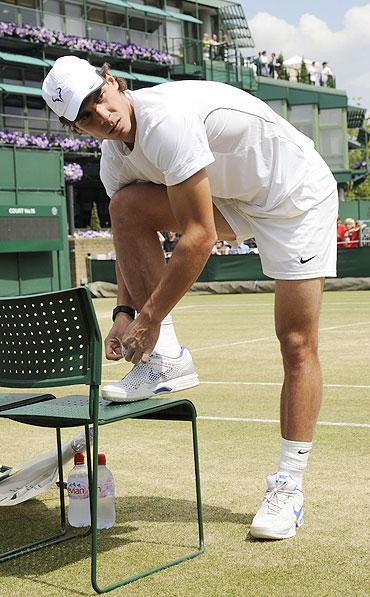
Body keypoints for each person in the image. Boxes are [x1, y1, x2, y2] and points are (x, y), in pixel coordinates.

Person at [42, 56, 338, 541]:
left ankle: (289, 485)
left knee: (295, 341)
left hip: (294, 196)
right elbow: (127, 235)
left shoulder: (167, 122)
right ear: (77, 128)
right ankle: (167, 361)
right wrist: (125, 312)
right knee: (126, 207)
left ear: (112, 82)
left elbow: (199, 237)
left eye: (100, 97)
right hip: (233, 199)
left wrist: (152, 315)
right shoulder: (114, 159)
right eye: (86, 116)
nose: (103, 114)